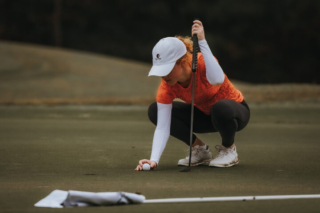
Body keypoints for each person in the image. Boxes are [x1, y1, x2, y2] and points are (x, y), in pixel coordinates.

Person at [135, 20, 250, 171]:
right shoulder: (167, 85)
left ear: (181, 62)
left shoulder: (203, 62)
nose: (163, 76)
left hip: (233, 113)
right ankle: (200, 150)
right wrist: (153, 160)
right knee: (154, 110)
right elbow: (163, 126)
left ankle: (229, 149)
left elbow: (217, 79)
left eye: (166, 69)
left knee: (220, 107)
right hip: (204, 116)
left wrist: (202, 40)